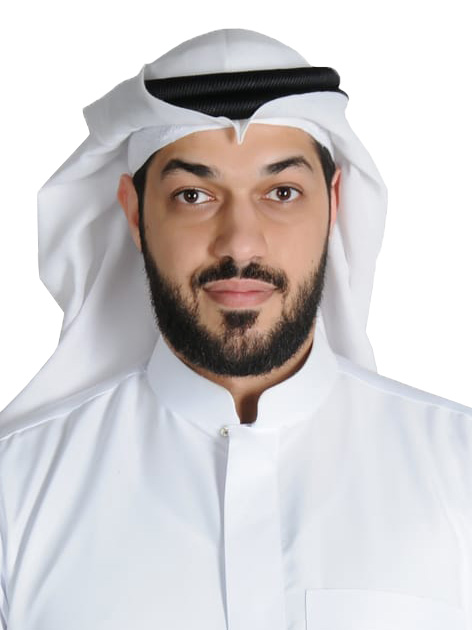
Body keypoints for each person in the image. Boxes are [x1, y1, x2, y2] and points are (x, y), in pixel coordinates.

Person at [0, 29, 470, 630]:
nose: (241, 244)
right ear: (135, 213)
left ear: (333, 203)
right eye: (194, 195)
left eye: (282, 192)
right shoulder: (17, 495)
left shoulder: (459, 471)